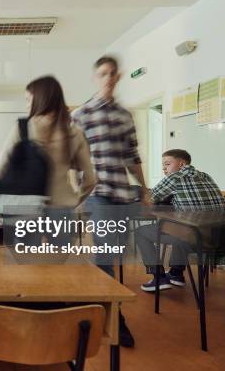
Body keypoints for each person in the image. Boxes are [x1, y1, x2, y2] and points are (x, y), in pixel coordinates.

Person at [72, 55, 150, 348]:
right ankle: (115, 316)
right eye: (102, 73)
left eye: (112, 74)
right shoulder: (81, 114)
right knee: (105, 254)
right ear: (96, 77)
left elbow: (132, 156)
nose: (107, 78)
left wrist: (143, 188)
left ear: (118, 77)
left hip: (122, 193)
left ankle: (102, 303)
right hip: (97, 193)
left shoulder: (125, 116)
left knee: (116, 255)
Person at [0, 75, 96, 220]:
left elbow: (0, 165)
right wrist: (75, 199)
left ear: (40, 99)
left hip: (27, 211)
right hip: (62, 209)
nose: (26, 105)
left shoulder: (23, 128)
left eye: (28, 100)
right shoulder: (75, 134)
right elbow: (91, 179)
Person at [136, 149, 225, 292]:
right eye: (163, 165)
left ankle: (158, 277)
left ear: (181, 163)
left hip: (195, 238)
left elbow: (149, 198)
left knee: (142, 231)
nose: (164, 168)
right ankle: (176, 273)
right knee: (182, 225)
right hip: (220, 237)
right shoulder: (206, 176)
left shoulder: (174, 178)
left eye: (167, 164)